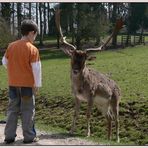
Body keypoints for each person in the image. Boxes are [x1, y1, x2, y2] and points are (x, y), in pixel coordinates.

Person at [2, 19, 42, 144]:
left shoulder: (11, 46)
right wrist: (37, 84)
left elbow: (4, 62)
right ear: (31, 33)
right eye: (35, 35)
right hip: (27, 86)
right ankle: (29, 136)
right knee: (28, 110)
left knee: (12, 110)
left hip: (13, 84)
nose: (35, 38)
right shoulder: (33, 49)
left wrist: (14, 69)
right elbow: (36, 69)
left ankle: (9, 136)